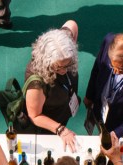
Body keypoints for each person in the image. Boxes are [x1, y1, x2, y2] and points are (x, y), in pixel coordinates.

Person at [22, 21, 81, 151]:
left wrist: (72, 46)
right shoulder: (36, 84)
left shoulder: (63, 45)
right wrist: (61, 130)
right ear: (46, 61)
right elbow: (35, 116)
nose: (64, 71)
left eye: (68, 65)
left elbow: (72, 24)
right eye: (58, 67)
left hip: (63, 109)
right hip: (47, 125)